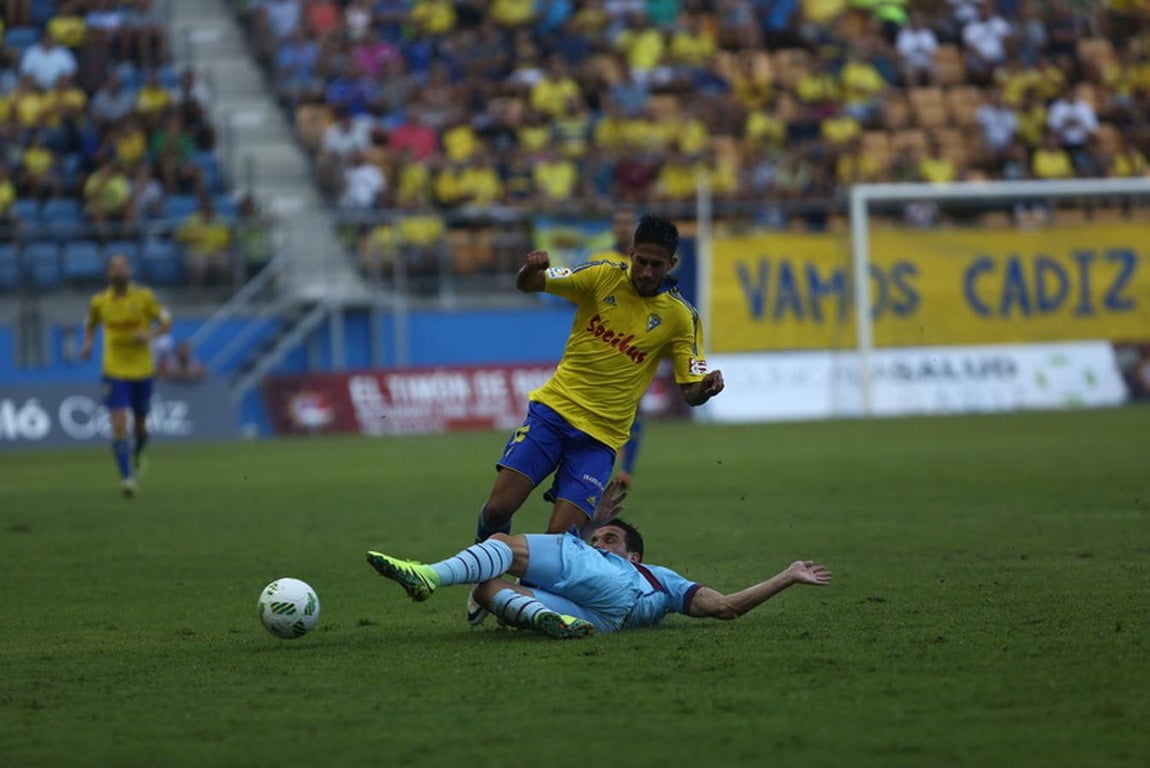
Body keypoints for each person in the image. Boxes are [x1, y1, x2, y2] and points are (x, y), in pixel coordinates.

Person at [466, 215, 724, 623]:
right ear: (631, 253)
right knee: (499, 509)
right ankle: (483, 575)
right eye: (642, 261)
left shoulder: (680, 317)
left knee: (558, 544)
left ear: (672, 264)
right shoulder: (600, 275)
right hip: (553, 413)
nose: (647, 271)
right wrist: (531, 270)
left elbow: (689, 390)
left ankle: (516, 603)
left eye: (658, 264)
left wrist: (703, 389)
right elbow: (531, 285)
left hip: (600, 440)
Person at [365, 518, 832, 639]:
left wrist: (788, 574)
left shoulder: (631, 567)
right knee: (490, 590)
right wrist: (786, 577)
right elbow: (727, 607)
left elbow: (582, 550)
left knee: (505, 545)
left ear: (633, 554)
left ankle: (427, 575)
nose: (598, 541)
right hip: (609, 621)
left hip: (608, 589)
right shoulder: (667, 587)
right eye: (597, 536)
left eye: (610, 537)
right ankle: (546, 619)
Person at [81, 255, 172, 497]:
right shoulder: (99, 302)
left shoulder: (144, 297)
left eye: (123, 267)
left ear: (129, 271)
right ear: (109, 273)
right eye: (115, 268)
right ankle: (126, 478)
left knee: (140, 426)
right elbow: (90, 324)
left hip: (142, 369)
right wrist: (88, 344)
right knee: (119, 424)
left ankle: (138, 452)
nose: (119, 271)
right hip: (114, 370)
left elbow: (165, 322)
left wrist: (150, 335)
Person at [588, 209, 645, 489]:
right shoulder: (600, 259)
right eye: (618, 223)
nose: (622, 228)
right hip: (599, 348)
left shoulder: (645, 265)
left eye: (627, 223)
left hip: (632, 350)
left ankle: (626, 470)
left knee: (633, 410)